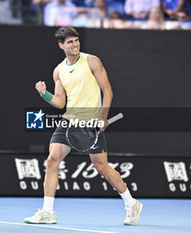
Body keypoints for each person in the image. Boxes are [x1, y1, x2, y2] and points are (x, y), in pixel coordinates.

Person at [24, 26, 143, 225]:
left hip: (90, 122)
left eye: (76, 40)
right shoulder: (58, 71)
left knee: (102, 167)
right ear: (61, 45)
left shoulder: (91, 61)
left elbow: (108, 91)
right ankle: (47, 212)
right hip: (69, 122)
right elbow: (61, 102)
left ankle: (131, 203)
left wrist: (103, 116)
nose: (75, 44)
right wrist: (44, 93)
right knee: (52, 160)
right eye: (70, 42)